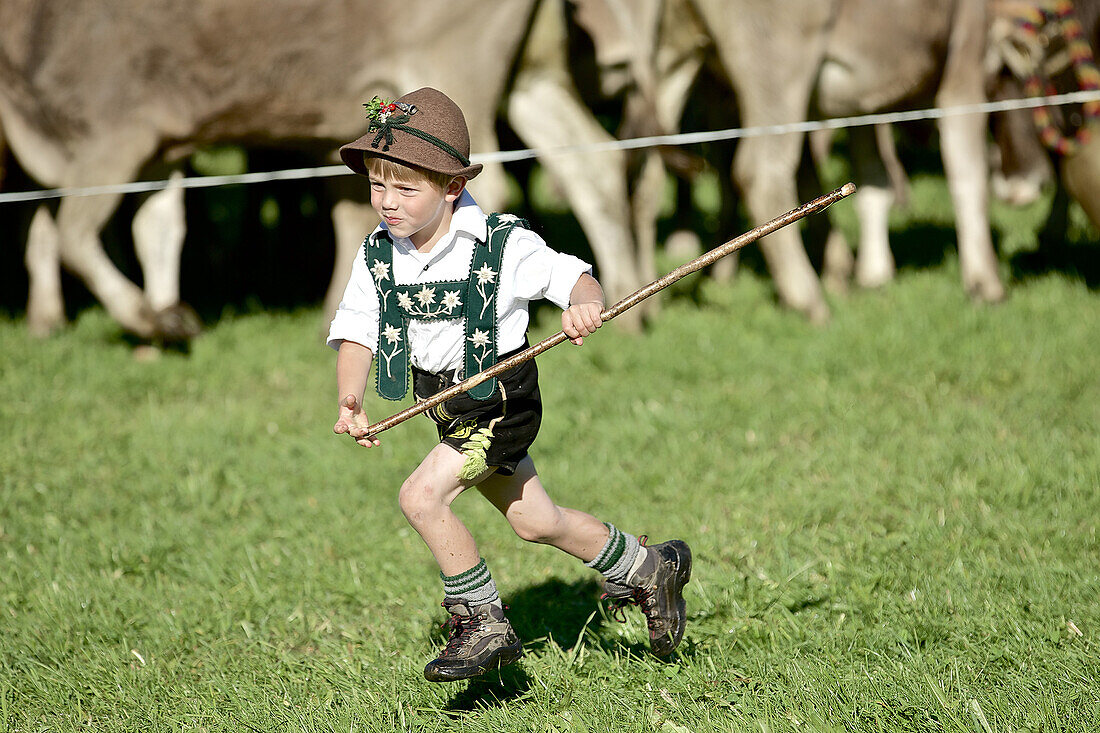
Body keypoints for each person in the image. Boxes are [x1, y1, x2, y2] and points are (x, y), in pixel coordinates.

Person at [327, 87, 691, 682]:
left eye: (404, 188)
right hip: (446, 404)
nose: (386, 202)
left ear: (450, 187)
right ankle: (650, 567)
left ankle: (482, 621)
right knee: (535, 521)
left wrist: (584, 305)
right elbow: (357, 329)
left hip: (498, 400)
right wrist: (351, 396)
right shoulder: (377, 254)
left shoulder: (502, 244)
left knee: (421, 497)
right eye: (376, 185)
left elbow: (573, 278)